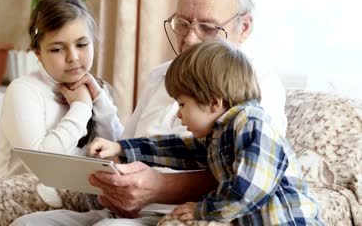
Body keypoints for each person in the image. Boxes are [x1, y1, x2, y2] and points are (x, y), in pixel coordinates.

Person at [11, 0, 288, 226]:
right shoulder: (160, 76)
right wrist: (115, 173)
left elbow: (247, 178)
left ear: (244, 27)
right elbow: (160, 147)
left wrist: (157, 188)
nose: (190, 40)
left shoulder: (253, 85)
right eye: (182, 24)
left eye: (207, 27)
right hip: (125, 212)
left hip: (183, 216)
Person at [87, 39, 322, 225]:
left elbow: (249, 190)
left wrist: (202, 209)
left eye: (182, 104)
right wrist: (122, 148)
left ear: (212, 102)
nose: (178, 114)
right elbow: (178, 149)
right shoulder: (220, 135)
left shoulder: (252, 123)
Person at [0, 0, 123, 178]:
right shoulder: (23, 91)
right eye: (57, 49)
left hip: (78, 200)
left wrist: (99, 100)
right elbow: (42, 166)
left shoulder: (95, 90)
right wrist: (82, 107)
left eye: (82, 44)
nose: (73, 57)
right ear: (38, 53)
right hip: (21, 200)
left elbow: (116, 150)